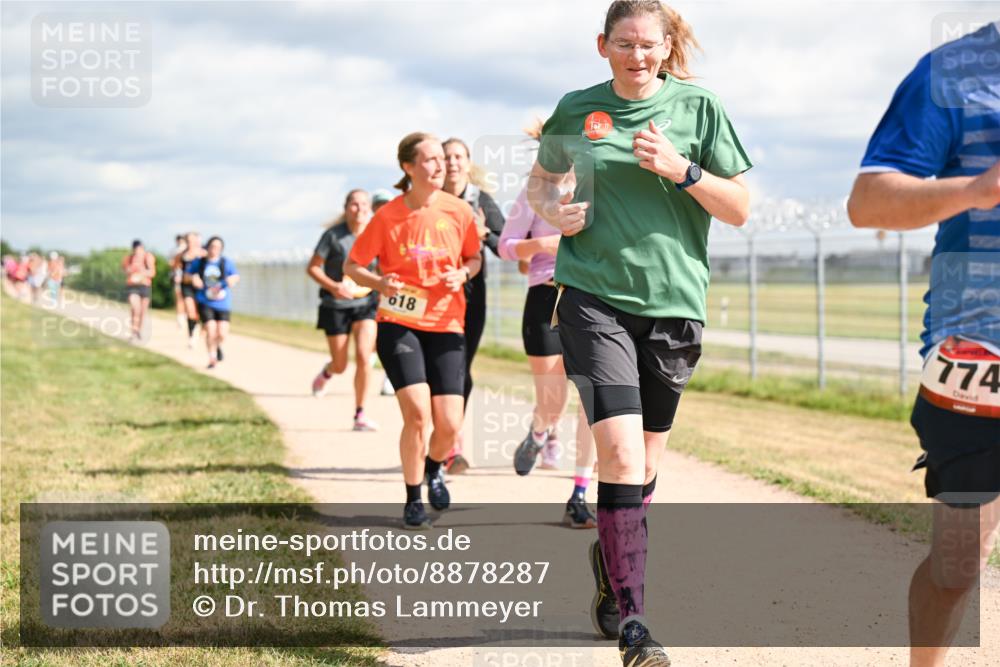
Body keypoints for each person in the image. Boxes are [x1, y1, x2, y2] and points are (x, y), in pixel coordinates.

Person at [527, 1, 751, 663]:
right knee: (621, 458)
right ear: (603, 46)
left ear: (666, 46)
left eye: (648, 44)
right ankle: (635, 625)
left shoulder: (700, 108)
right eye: (624, 44)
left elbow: (739, 208)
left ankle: (611, 555)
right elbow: (541, 185)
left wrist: (683, 170)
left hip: (674, 306)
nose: (637, 56)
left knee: (646, 465)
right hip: (592, 298)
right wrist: (555, 212)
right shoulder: (577, 110)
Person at [847, 20, 1000, 667]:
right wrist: (980, 189)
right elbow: (868, 201)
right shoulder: (952, 71)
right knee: (959, 562)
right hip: (981, 348)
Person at [345, 131, 482, 530]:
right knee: (418, 414)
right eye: (430, 159)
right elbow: (352, 266)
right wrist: (379, 283)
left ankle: (434, 467)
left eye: (443, 158)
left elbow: (474, 258)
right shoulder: (387, 216)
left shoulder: (459, 211)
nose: (441, 165)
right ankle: (413, 498)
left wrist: (463, 273)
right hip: (399, 323)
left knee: (450, 424)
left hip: (447, 324)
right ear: (408, 167)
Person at [499, 139, 598, 529]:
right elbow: (505, 247)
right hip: (545, 297)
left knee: (593, 398)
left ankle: (579, 494)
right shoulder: (534, 194)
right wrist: (543, 244)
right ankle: (540, 431)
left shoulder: (599, 186)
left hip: (592, 297)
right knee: (553, 401)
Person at [441, 137, 506, 474]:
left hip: (471, 295)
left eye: (458, 156)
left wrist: (484, 234)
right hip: (433, 296)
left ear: (468, 163)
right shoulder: (429, 198)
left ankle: (452, 443)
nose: (452, 162)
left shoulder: (480, 200)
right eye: (446, 157)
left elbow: (505, 246)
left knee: (460, 367)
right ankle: (442, 438)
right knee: (438, 370)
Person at [307, 189, 380, 432]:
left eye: (364, 204)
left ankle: (360, 414)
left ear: (370, 208)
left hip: (366, 304)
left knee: (364, 356)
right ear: (346, 208)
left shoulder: (375, 233)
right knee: (341, 364)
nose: (359, 209)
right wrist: (334, 287)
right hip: (336, 305)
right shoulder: (333, 236)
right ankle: (328, 372)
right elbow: (313, 268)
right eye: (354, 204)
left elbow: (383, 266)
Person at [187, 236, 240, 369]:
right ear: (208, 247)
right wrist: (193, 278)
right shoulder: (199, 262)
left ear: (221, 249)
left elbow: (235, 276)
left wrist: (232, 280)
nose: (215, 249)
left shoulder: (226, 262)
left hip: (223, 303)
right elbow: (186, 275)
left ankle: (217, 346)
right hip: (205, 301)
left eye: (218, 247)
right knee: (211, 330)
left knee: (222, 333)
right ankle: (212, 358)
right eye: (212, 246)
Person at [371, 189, 398, 398]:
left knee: (394, 335)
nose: (382, 208)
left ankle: (390, 377)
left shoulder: (398, 228)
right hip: (371, 292)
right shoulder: (370, 231)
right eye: (378, 205)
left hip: (395, 293)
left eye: (386, 204)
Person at [122, 240, 156, 341]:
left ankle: (138, 330)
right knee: (135, 308)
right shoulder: (129, 258)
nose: (138, 252)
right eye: (136, 250)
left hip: (145, 285)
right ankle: (133, 330)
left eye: (140, 249)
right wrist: (130, 271)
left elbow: (152, 272)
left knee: (142, 311)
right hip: (132, 286)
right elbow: (124, 270)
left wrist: (142, 273)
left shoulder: (148, 257)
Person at [178, 232, 206, 347]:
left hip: (201, 286)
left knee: (200, 311)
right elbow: (177, 268)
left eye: (192, 240)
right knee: (190, 310)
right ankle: (191, 335)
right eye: (188, 240)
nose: (190, 242)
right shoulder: (182, 255)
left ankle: (200, 328)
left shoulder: (204, 254)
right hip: (187, 285)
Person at [169, 234, 188, 329]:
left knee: (184, 298)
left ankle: (183, 317)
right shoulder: (175, 250)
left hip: (185, 277)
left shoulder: (183, 250)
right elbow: (172, 264)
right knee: (180, 297)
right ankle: (181, 318)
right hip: (178, 276)